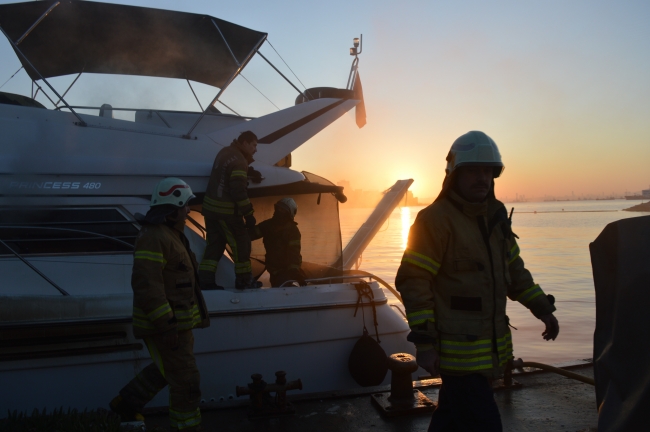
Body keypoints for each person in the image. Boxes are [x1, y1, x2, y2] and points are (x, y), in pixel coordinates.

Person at [395, 131, 559, 432]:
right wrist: (425, 343)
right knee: (484, 423)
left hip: (490, 349)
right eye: (472, 170)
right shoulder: (434, 221)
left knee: (452, 416)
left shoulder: (495, 218)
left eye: (487, 171)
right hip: (458, 354)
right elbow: (413, 281)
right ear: (454, 175)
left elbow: (515, 271)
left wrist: (542, 308)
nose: (481, 178)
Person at [110, 177, 209, 432]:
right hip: (167, 326)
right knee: (187, 380)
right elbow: (147, 285)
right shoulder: (155, 237)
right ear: (172, 208)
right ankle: (187, 427)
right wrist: (167, 325)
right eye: (186, 205)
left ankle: (128, 402)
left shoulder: (170, 235)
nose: (189, 210)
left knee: (168, 369)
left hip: (176, 324)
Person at [199, 131, 261, 290]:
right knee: (242, 244)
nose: (255, 149)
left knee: (215, 245)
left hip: (210, 210)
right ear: (245, 143)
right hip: (226, 213)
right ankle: (244, 281)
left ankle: (205, 281)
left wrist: (247, 172)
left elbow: (224, 175)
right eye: (254, 145)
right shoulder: (239, 161)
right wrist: (249, 215)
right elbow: (238, 191)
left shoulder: (224, 152)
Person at [250, 197, 306, 287]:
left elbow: (294, 253)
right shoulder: (268, 225)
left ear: (289, 213)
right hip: (273, 270)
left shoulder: (292, 230)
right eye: (278, 208)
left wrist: (294, 271)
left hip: (287, 270)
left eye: (283, 210)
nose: (279, 211)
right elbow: (250, 235)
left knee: (284, 290)